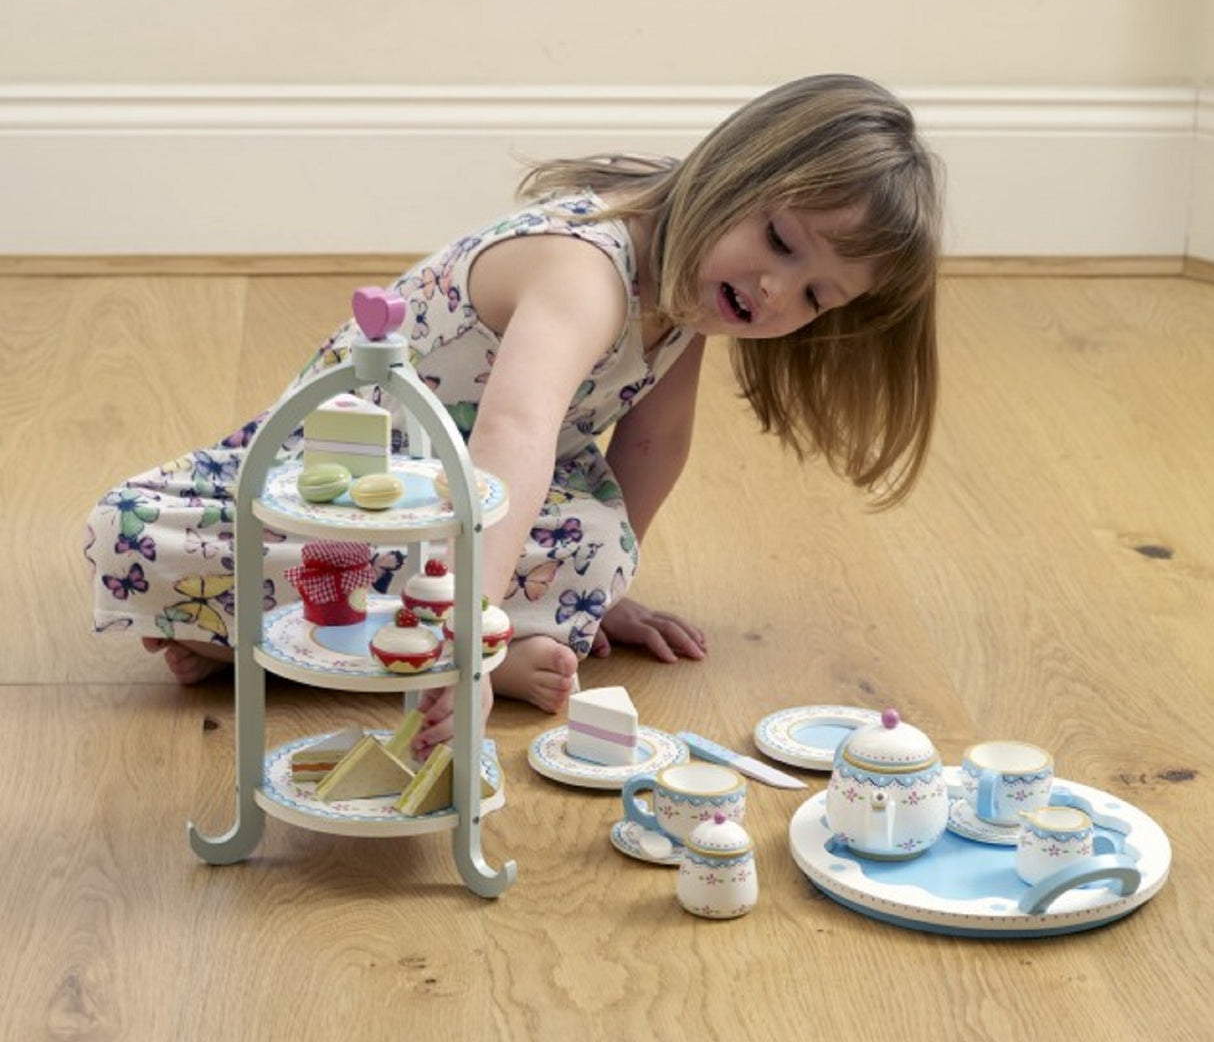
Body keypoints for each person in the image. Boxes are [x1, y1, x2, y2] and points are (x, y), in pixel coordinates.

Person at [85, 73, 942, 757]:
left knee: (600, 545)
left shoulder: (690, 294)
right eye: (782, 244)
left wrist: (609, 590)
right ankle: (439, 650)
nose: (772, 291)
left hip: (471, 503)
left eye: (815, 295)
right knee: (124, 529)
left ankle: (292, 641)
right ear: (735, 171)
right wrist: (467, 639)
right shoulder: (586, 265)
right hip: (352, 475)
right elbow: (515, 434)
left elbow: (656, 440)